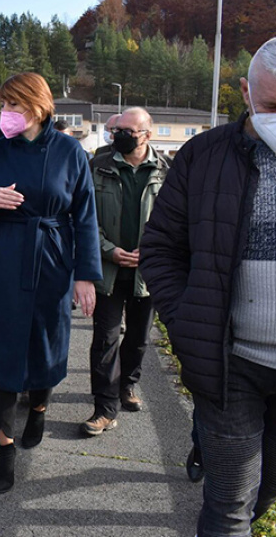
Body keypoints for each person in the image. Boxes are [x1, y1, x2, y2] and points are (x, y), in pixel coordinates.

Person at [139, 34, 276, 536]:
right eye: (273, 105)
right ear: (246, 93)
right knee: (229, 506)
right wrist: (186, 321)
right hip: (230, 363)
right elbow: (160, 248)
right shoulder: (203, 156)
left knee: (269, 490)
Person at [0, 72, 101, 493]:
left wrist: (85, 275)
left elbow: (85, 217)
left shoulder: (69, 151)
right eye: (3, 104)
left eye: (14, 105)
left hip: (53, 257)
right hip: (5, 258)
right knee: (2, 347)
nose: (5, 112)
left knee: (46, 340)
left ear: (39, 107)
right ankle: (4, 445)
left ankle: (39, 407)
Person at [80, 107, 170, 436]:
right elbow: (85, 217)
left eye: (128, 131)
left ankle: (127, 384)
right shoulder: (98, 166)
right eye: (118, 130)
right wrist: (109, 250)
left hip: (148, 272)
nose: (120, 135)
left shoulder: (167, 171)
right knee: (105, 339)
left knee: (138, 339)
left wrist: (151, 251)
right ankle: (104, 408)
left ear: (147, 134)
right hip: (108, 269)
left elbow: (175, 221)